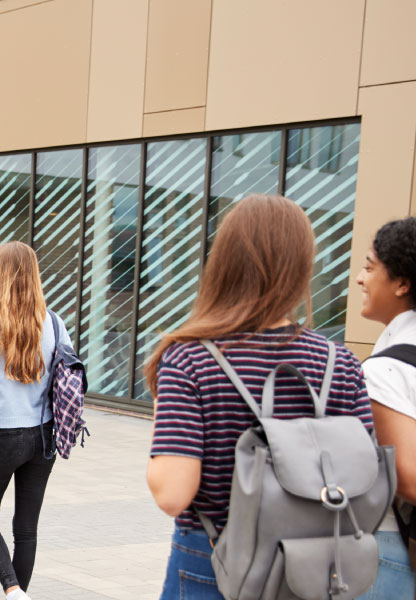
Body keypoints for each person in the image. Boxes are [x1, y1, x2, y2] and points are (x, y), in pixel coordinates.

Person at [145, 195, 374, 599]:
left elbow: (172, 493)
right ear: (303, 266)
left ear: (224, 262)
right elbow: (366, 483)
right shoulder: (341, 362)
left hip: (215, 561)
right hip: (317, 566)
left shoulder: (191, 359)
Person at [0, 242, 67, 600]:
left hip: (2, 435)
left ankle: (12, 588)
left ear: (0, 276)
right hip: (45, 435)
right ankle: (18, 592)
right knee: (26, 528)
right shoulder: (53, 321)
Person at [356, 216, 416, 599]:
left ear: (402, 283)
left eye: (369, 266)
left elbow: (407, 478)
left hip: (394, 547)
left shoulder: (385, 370)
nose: (361, 278)